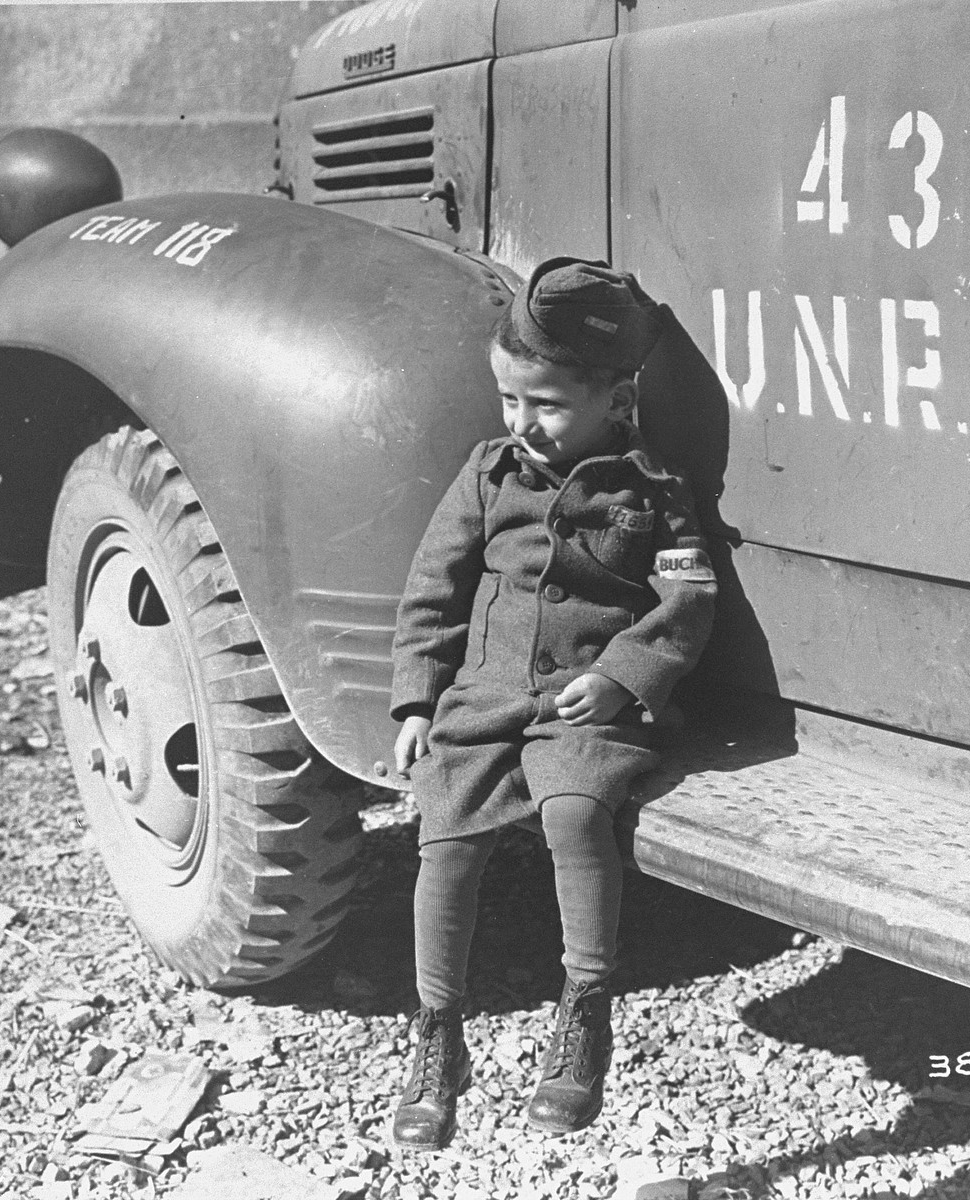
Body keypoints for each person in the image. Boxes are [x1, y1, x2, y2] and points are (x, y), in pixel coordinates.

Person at [387, 258, 717, 1150]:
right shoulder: (490, 474)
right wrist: (415, 702)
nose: (522, 424)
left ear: (615, 398)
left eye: (546, 404)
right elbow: (434, 589)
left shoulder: (649, 488)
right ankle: (438, 1033)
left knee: (577, 815)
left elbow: (688, 602)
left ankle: (584, 1012)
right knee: (445, 838)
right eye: (508, 402)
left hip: (584, 708)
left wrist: (620, 675)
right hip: (485, 696)